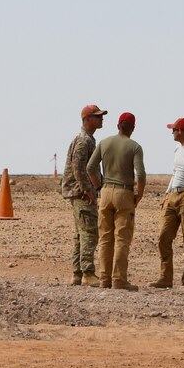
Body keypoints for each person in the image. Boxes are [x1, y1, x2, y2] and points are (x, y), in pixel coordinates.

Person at [87, 111, 146, 291]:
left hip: (105, 192)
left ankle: (105, 279)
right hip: (124, 194)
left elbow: (90, 167)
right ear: (133, 128)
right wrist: (139, 195)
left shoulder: (104, 143)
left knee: (105, 239)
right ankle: (119, 280)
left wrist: (98, 187)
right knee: (122, 239)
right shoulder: (134, 147)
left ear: (118, 126)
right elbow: (141, 175)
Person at [149, 117, 184, 289]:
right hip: (173, 196)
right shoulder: (177, 149)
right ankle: (165, 277)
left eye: (173, 130)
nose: (171, 133)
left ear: (180, 131)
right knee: (163, 237)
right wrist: (167, 194)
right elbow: (175, 173)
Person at [61, 104, 106, 287]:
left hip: (80, 191)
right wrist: (88, 190)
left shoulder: (88, 139)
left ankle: (77, 273)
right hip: (81, 193)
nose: (101, 119)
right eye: (97, 116)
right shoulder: (83, 141)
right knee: (89, 232)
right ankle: (87, 273)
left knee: (80, 234)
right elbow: (79, 169)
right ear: (87, 119)